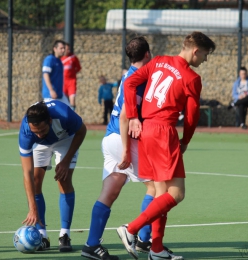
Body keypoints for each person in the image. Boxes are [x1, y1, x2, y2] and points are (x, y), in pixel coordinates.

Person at [116, 31, 216, 260]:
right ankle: (130, 229)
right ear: (195, 51)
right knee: (177, 194)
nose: (204, 60)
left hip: (146, 131)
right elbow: (192, 117)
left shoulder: (158, 60)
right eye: (205, 55)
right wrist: (185, 140)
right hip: (163, 133)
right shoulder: (191, 78)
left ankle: (157, 248)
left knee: (161, 194)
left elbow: (130, 82)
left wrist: (133, 116)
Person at [81, 36, 181, 260]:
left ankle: (91, 245)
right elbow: (127, 114)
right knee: (157, 189)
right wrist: (126, 150)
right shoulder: (140, 77)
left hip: (110, 137)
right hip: (124, 139)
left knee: (110, 191)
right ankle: (146, 240)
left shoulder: (129, 74)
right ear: (148, 53)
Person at [19, 100, 87, 252]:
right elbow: (27, 173)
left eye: (42, 130)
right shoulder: (27, 132)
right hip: (40, 145)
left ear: (49, 121)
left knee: (64, 180)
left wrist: (66, 160)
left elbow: (82, 130)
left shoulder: (64, 115)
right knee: (35, 181)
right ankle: (42, 236)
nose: (39, 134)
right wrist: (32, 208)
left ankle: (65, 234)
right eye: (35, 131)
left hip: (65, 139)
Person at [42, 40, 70, 106]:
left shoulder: (59, 61)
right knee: (53, 115)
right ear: (55, 49)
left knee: (69, 113)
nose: (63, 50)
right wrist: (51, 90)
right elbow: (45, 75)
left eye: (64, 48)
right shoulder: (49, 59)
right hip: (50, 96)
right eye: (61, 48)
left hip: (59, 95)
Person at [61, 42, 82, 111]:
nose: (68, 51)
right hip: (62, 82)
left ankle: (72, 116)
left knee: (72, 99)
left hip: (71, 81)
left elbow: (78, 68)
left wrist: (72, 73)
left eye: (69, 49)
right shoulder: (59, 59)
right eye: (67, 49)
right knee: (63, 100)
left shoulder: (73, 57)